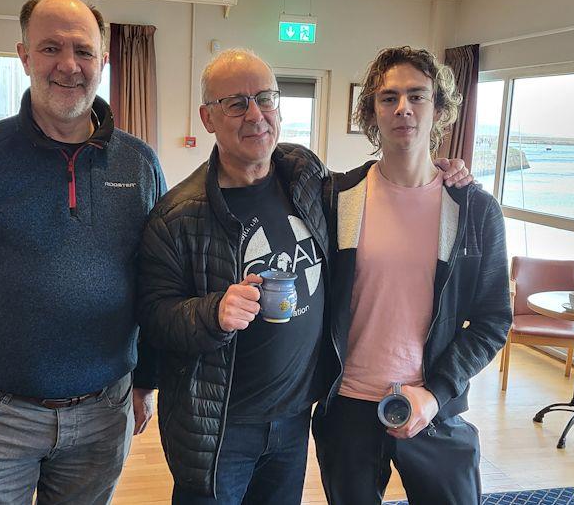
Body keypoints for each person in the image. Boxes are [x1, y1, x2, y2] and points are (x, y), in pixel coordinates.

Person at [137, 48, 471, 504]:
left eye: (265, 99)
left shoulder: (307, 178)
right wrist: (211, 312)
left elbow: (391, 193)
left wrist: (447, 172)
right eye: (236, 103)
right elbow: (153, 317)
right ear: (207, 117)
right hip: (220, 427)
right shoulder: (177, 215)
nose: (255, 115)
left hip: (294, 419)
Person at [0, 0, 165, 504]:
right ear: (24, 56)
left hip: (103, 411)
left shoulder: (139, 164)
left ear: (104, 61)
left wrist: (145, 381)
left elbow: (154, 282)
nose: (68, 65)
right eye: (50, 48)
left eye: (83, 51)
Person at [312, 46, 512, 505]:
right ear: (372, 111)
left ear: (439, 109)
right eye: (389, 98)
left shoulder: (474, 211)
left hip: (434, 404)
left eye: (417, 96)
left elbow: (493, 320)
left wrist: (436, 394)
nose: (403, 108)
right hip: (347, 406)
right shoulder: (337, 197)